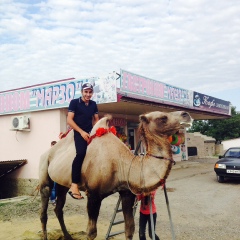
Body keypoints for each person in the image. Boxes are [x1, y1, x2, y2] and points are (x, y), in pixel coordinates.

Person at [67, 82, 99, 200]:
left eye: (90, 92)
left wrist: (96, 131)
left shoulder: (93, 104)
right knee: (81, 153)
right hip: (78, 132)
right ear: (82, 92)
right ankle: (74, 185)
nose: (88, 94)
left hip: (90, 133)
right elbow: (69, 120)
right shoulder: (74, 102)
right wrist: (81, 132)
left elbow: (96, 120)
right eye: (86, 92)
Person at [50, 141, 57, 205]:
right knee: (53, 187)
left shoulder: (57, 153)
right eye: (53, 145)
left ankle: (54, 198)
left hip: (56, 173)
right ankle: (53, 199)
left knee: (55, 187)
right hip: (52, 173)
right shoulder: (50, 154)